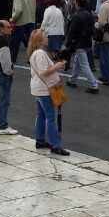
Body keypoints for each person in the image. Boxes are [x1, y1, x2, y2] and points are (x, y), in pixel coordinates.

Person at [27, 28, 69, 156]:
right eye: (45, 36)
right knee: (50, 117)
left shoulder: (36, 53)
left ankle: (40, 140)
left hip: (39, 88)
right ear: (40, 40)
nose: (47, 38)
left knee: (41, 115)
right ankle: (56, 145)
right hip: (44, 90)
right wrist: (57, 66)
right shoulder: (40, 53)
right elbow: (43, 71)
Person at [64, 0, 100, 94]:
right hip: (87, 41)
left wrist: (68, 43)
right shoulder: (89, 14)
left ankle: (94, 85)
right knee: (78, 61)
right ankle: (72, 79)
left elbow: (72, 32)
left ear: (77, 3)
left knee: (84, 64)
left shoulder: (77, 16)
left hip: (78, 43)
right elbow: (92, 29)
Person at [9, 0, 37, 64]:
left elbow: (18, 10)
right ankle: (31, 59)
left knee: (15, 43)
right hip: (31, 20)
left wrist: (12, 19)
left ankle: (12, 59)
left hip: (20, 22)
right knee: (31, 42)